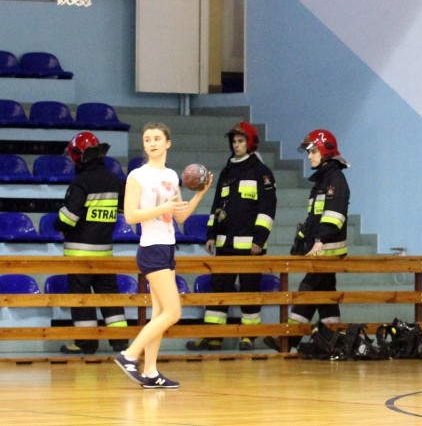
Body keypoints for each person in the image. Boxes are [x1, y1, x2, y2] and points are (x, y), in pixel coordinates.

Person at [112, 122, 212, 389]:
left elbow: (180, 215)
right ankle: (129, 354)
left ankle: (150, 371)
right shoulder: (137, 176)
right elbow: (131, 216)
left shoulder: (170, 175)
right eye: (147, 139)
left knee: (159, 313)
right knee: (173, 312)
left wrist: (200, 193)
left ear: (168, 143)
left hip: (168, 246)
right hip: (151, 248)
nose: (152, 143)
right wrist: (161, 208)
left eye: (157, 138)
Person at [186, 121, 277, 351]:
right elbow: (217, 205)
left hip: (250, 246)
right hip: (224, 245)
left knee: (249, 290)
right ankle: (213, 336)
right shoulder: (227, 171)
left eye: (240, 141)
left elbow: (267, 209)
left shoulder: (261, 172)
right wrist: (210, 233)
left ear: (251, 143)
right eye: (234, 141)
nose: (236, 145)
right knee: (219, 290)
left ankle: (249, 335)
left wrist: (259, 239)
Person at [263, 129, 349, 352]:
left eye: (313, 151)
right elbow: (314, 217)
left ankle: (290, 339)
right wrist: (304, 238)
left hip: (326, 250)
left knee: (308, 289)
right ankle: (334, 339)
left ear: (325, 152)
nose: (309, 156)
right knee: (325, 295)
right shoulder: (323, 180)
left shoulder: (334, 181)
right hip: (320, 248)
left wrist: (319, 240)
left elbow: (334, 216)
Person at [55, 131, 128, 355]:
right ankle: (120, 341)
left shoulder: (81, 181)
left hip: (79, 254)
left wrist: (57, 223)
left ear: (78, 156)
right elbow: (123, 209)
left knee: (82, 298)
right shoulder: (114, 180)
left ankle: (86, 343)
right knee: (109, 295)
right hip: (105, 253)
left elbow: (69, 217)